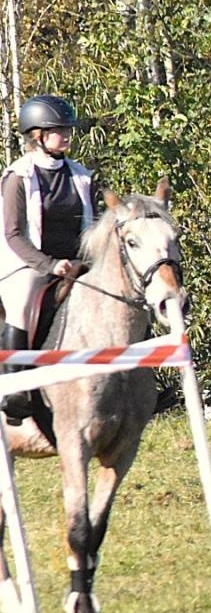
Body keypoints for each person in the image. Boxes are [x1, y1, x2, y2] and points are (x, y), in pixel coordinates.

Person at [0, 94, 96, 422]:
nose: (67, 134)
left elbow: (93, 225)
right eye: (59, 129)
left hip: (75, 262)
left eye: (68, 128)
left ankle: (146, 381)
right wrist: (49, 264)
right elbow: (13, 234)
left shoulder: (81, 175)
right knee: (24, 301)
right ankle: (14, 389)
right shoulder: (19, 176)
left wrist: (86, 261)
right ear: (38, 135)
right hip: (25, 264)